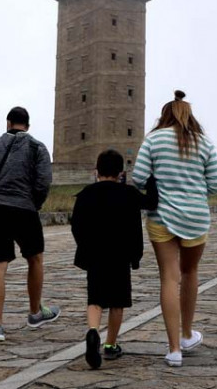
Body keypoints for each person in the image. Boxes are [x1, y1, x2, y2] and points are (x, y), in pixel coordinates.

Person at [132, 90, 217, 367]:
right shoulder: (204, 143)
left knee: (169, 279)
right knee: (190, 272)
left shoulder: (154, 139)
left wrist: (162, 184)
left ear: (165, 115)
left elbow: (137, 177)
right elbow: (216, 184)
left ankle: (173, 350)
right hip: (196, 218)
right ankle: (186, 333)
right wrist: (194, 191)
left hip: (161, 218)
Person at [0, 106, 58, 341]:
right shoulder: (38, 147)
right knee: (35, 258)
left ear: (8, 123)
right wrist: (34, 202)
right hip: (26, 209)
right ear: (27, 126)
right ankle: (34, 313)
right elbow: (43, 182)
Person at [71, 149, 145, 369]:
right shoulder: (129, 193)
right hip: (121, 254)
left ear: (97, 171)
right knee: (117, 302)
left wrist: (84, 247)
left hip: (94, 254)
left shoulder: (85, 194)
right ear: (121, 173)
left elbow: (76, 225)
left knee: (95, 299)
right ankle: (111, 345)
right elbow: (151, 203)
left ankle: (93, 332)